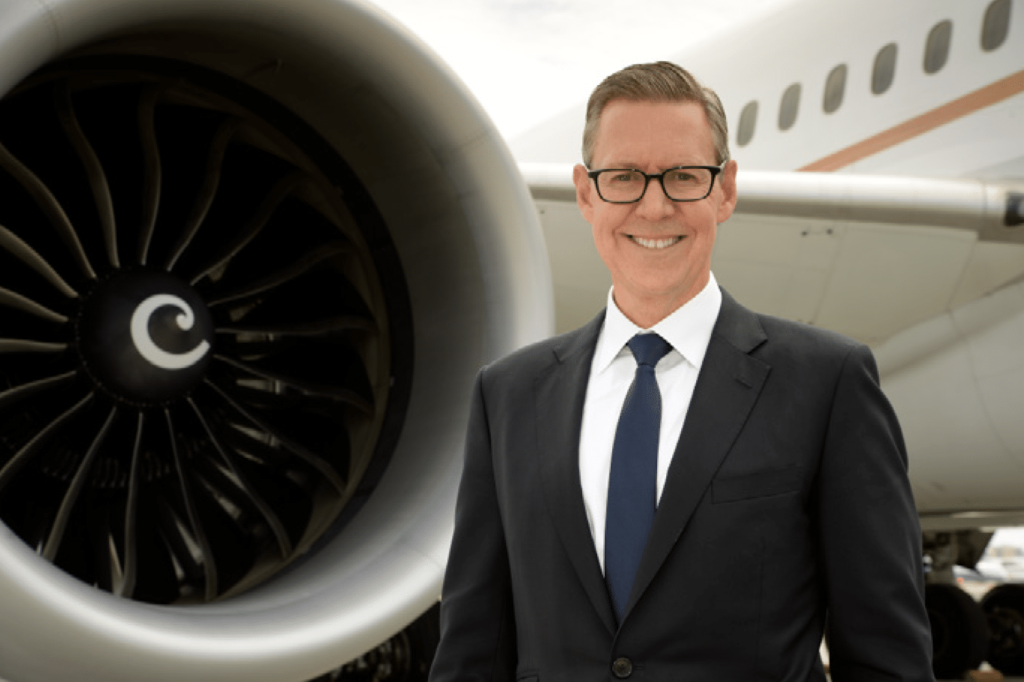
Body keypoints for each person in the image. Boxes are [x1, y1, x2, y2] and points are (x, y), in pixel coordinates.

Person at [428, 61, 934, 681]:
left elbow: (888, 656)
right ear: (586, 194)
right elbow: (472, 651)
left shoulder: (828, 384)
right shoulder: (507, 395)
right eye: (624, 178)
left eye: (684, 176)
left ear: (725, 191)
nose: (655, 205)